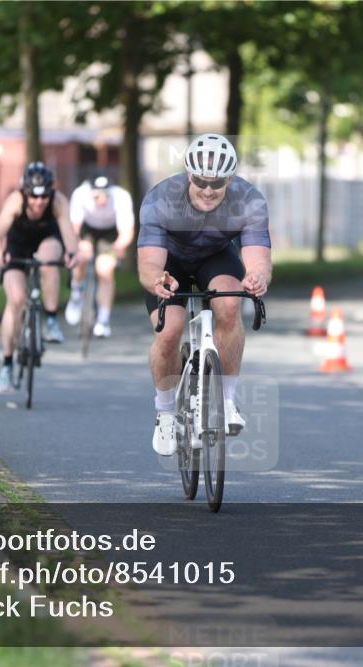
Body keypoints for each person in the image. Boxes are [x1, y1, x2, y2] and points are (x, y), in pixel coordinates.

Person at [138, 134, 272, 456]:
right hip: (169, 262)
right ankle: (166, 412)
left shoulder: (249, 200)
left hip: (215, 256)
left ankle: (226, 402)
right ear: (189, 175)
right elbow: (148, 263)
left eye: (218, 183)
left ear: (230, 178)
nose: (209, 190)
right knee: (169, 331)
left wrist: (257, 277)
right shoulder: (160, 200)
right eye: (201, 181)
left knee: (229, 302)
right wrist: (157, 280)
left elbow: (258, 259)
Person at [0, 162, 80, 392]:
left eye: (44, 197)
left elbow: (68, 234)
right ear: (25, 192)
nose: (39, 202)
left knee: (48, 260)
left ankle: (50, 320)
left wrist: (72, 254)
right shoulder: (15, 201)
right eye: (33, 197)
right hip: (18, 247)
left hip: (47, 242)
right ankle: (7, 364)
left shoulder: (58, 201)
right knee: (17, 300)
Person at [64, 174, 136, 338]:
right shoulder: (80, 194)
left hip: (109, 233)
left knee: (105, 270)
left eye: (105, 196)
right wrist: (78, 244)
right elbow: (73, 228)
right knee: (81, 258)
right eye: (97, 196)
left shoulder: (121, 197)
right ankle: (76, 294)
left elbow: (126, 232)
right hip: (87, 228)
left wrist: (117, 248)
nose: (101, 200)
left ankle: (103, 320)